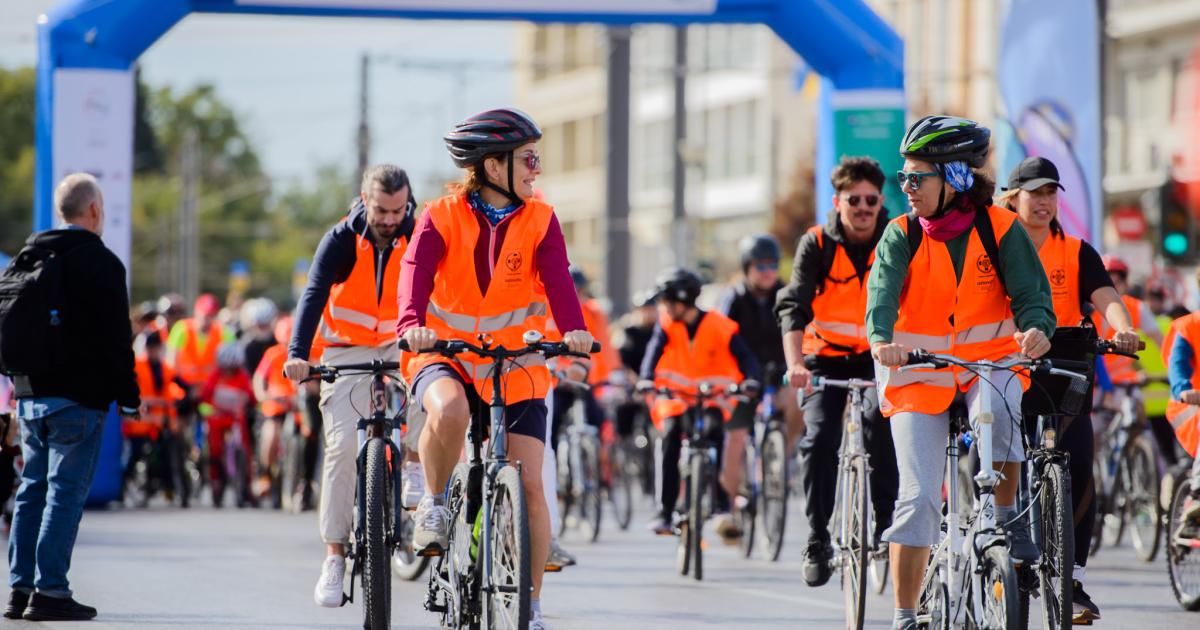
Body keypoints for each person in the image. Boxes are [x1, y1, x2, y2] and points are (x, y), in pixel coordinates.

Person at [398, 107, 593, 630]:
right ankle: (434, 503)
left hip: (515, 361)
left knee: (529, 485)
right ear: (492, 166)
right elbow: (414, 273)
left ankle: (530, 606)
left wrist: (574, 331)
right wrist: (412, 324)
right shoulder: (440, 215)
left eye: (537, 158)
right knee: (450, 410)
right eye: (528, 158)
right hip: (445, 352)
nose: (536, 168)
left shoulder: (542, 219)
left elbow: (559, 282)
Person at [865, 117, 1056, 630]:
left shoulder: (1001, 228)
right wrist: (881, 340)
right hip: (915, 375)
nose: (907, 188)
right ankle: (905, 616)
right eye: (903, 177)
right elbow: (881, 295)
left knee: (1004, 407)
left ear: (954, 177)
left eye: (917, 177)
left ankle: (1005, 520)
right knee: (918, 500)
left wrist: (1037, 330)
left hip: (986, 366)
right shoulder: (901, 233)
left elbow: (1033, 296)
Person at [999, 155, 1140, 622]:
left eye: (1050, 193)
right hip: (1010, 358)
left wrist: (1122, 329)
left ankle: (1071, 577)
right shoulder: (997, 243)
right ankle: (1007, 546)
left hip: (1065, 357)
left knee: (1078, 460)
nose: (1044, 202)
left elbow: (1106, 297)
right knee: (1006, 455)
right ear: (1013, 198)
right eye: (1034, 193)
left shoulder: (1077, 251)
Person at [5, 173, 140, 621]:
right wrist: (129, 396)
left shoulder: (27, 256)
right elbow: (117, 340)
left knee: (31, 490)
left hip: (29, 395)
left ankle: (19, 589)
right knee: (63, 494)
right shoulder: (101, 263)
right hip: (77, 399)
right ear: (95, 211)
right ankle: (51, 591)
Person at [281, 164, 417, 607]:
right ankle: (335, 556)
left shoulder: (418, 233)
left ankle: (416, 473)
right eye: (381, 210)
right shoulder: (340, 240)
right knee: (340, 448)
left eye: (398, 210)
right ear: (364, 200)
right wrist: (298, 354)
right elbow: (313, 294)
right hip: (345, 350)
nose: (390, 219)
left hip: (401, 345)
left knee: (432, 393)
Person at [775, 156, 899, 586]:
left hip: (879, 356)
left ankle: (885, 524)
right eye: (853, 200)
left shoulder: (897, 237)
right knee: (820, 436)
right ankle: (817, 538)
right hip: (823, 357)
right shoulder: (816, 243)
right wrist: (795, 364)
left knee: (883, 427)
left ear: (880, 201)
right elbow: (793, 307)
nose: (863, 208)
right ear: (837, 202)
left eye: (870, 200)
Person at [640, 268, 762, 540]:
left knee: (714, 434)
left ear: (683, 300)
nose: (663, 308)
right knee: (669, 437)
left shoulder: (718, 325)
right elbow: (652, 354)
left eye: (667, 301)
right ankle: (664, 511)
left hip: (714, 399)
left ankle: (721, 507)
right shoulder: (667, 325)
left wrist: (752, 379)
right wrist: (646, 378)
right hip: (677, 400)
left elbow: (746, 358)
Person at [127, 331, 186, 504]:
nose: (153, 351)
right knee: (135, 453)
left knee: (166, 453)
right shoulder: (136, 366)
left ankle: (169, 488)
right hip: (140, 422)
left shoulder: (165, 368)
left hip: (160, 422)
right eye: (150, 348)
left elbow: (180, 383)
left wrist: (187, 396)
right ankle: (126, 482)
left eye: (156, 348)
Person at [198, 343, 256, 508]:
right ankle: (216, 480)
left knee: (245, 447)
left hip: (235, 419)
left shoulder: (242, 376)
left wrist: (245, 402)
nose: (229, 371)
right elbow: (205, 395)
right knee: (214, 447)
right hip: (217, 418)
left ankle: (247, 485)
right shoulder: (215, 375)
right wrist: (212, 408)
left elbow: (251, 396)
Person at [253, 315, 296, 509]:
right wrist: (263, 395)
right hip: (275, 407)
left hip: (296, 406)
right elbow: (259, 378)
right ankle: (265, 474)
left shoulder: (307, 353)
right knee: (270, 436)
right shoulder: (272, 354)